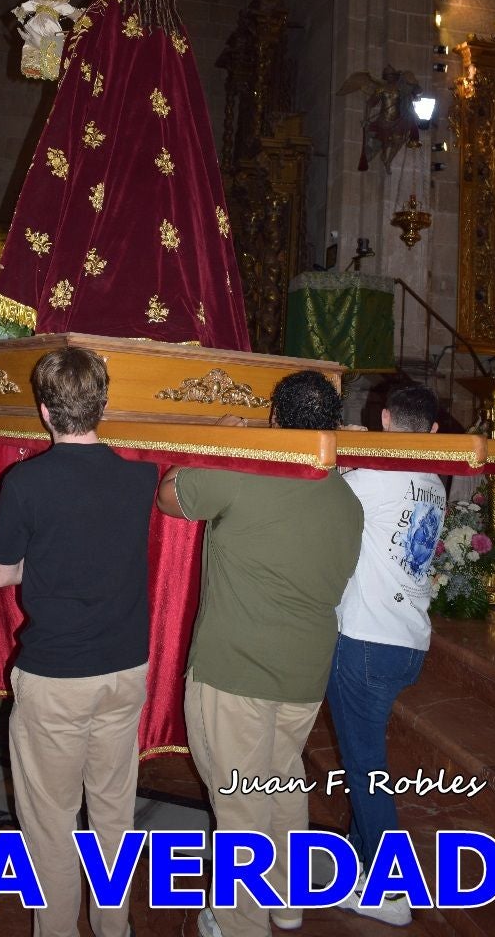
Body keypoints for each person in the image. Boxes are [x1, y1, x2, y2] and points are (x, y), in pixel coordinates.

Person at [0, 0, 250, 351]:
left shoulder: (108, 9)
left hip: (112, 171)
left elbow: (54, 65)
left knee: (95, 243)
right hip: (171, 185)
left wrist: (49, 17)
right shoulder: (173, 28)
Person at [157, 370, 364, 937]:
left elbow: (169, 496)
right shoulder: (346, 498)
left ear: (275, 419)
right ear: (333, 426)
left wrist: (221, 442)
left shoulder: (244, 473)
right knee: (280, 781)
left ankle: (241, 923)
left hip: (237, 669)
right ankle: (287, 900)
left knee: (240, 809)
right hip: (304, 670)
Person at [0, 346, 158, 937]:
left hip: (57, 673)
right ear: (102, 405)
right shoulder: (140, 477)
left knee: (50, 821)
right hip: (124, 667)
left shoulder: (25, 481)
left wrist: (48, 563)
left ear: (43, 411)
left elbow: (2, 574)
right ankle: (115, 928)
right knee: (113, 813)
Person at [327, 384, 446, 928]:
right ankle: (361, 865)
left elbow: (318, 487)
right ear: (435, 432)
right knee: (365, 757)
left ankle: (391, 891)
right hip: (408, 639)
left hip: (368, 641)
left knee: (365, 768)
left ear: (384, 419)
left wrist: (345, 444)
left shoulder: (372, 477)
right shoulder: (434, 481)